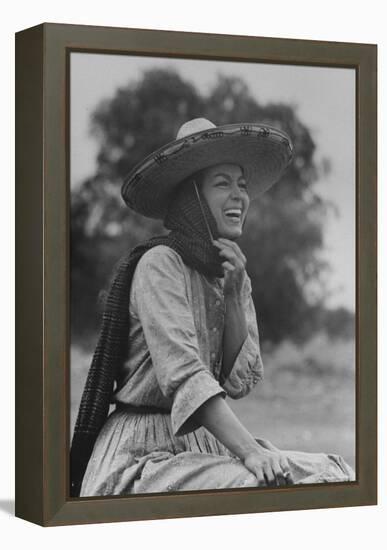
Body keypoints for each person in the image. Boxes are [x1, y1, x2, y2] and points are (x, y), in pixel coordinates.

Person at [70, 118, 354, 497]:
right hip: (141, 453)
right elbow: (186, 377)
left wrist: (235, 295)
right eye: (222, 183)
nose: (238, 195)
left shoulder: (230, 272)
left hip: (202, 443)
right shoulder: (160, 264)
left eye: (242, 184)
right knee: (261, 485)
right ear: (193, 197)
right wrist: (251, 452)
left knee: (332, 471)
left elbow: (239, 381)